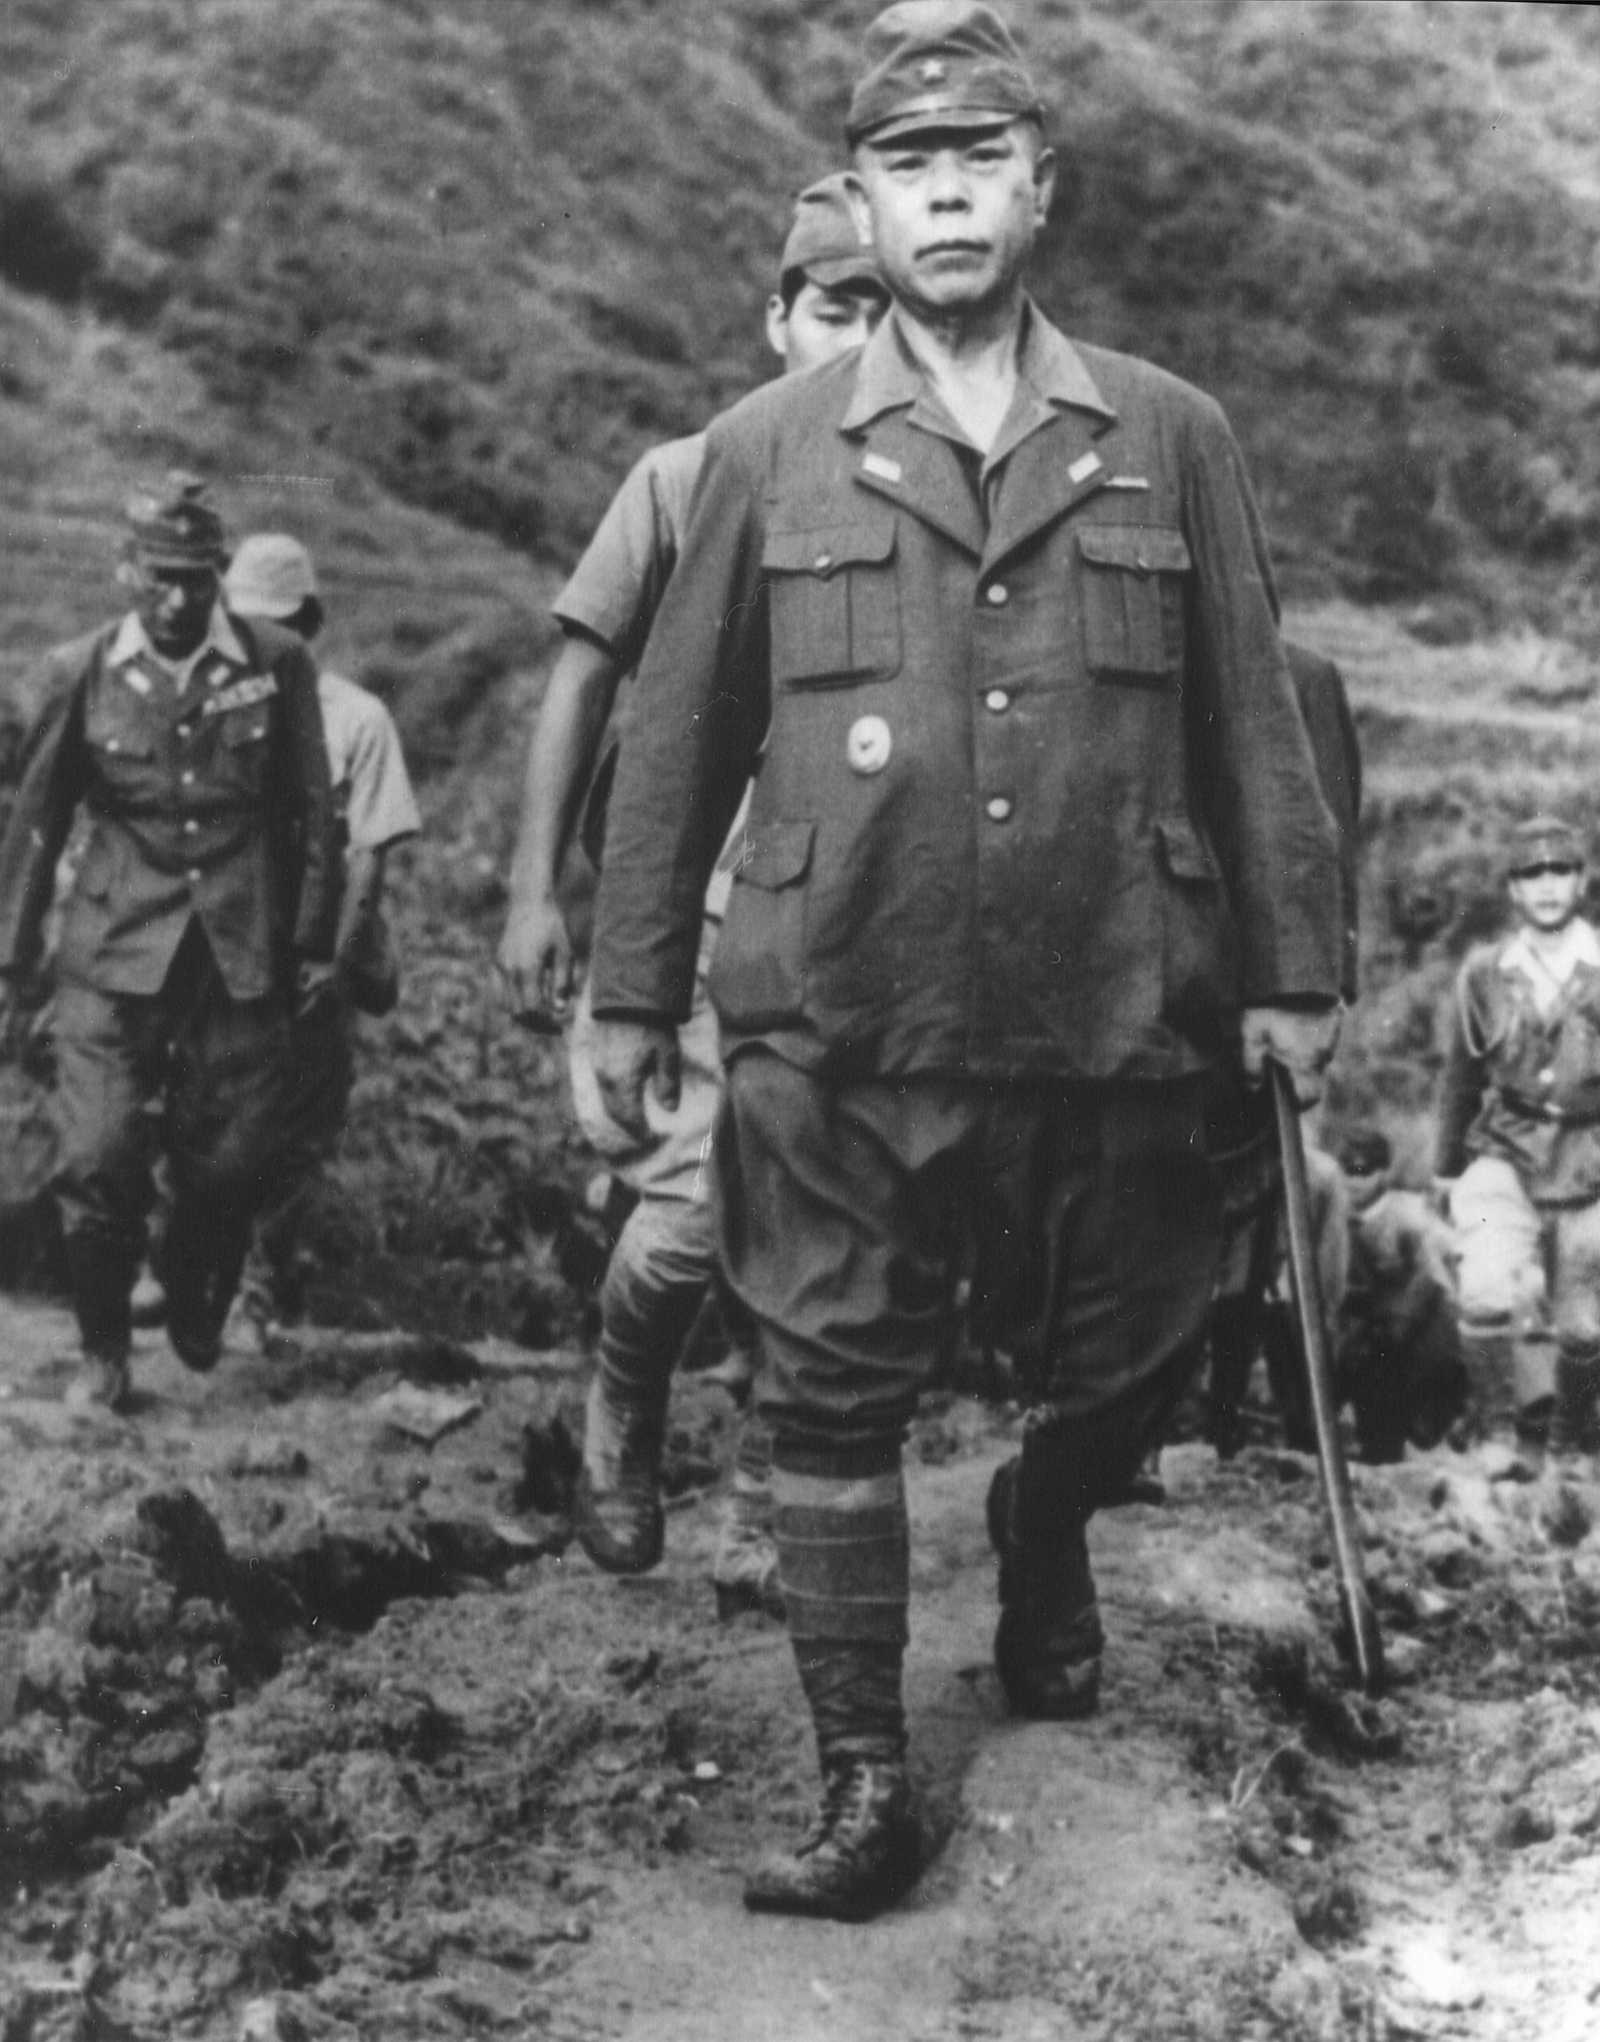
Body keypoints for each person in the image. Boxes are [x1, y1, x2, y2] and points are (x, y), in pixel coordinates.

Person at [585, 0, 1343, 1921]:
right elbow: (674, 736)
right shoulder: (767, 449)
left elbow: (1253, 717)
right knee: (825, 1386)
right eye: (908, 172)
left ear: (1038, 191)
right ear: (866, 199)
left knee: (1141, 1355)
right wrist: (621, 987)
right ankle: (860, 1775)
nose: (944, 201)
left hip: (1117, 995)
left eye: (978, 165)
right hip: (844, 999)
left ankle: (1043, 1519)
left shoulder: (1171, 433)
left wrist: (1293, 971)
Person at [496, 177, 889, 1611]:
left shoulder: (938, 482)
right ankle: (622, 1394)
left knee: (849, 1238)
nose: (864, 337)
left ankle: (779, 1511)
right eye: (839, 306)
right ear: (780, 317)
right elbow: (584, 672)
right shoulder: (692, 473)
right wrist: (539, 891)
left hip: (876, 926)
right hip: (717, 915)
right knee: (683, 1217)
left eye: (889, 309)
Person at [0, 474, 338, 1411]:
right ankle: (103, 1347)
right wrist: (11, 958)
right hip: (111, 950)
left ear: (221, 574)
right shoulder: (84, 671)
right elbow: (38, 819)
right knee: (99, 1153)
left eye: (197, 577)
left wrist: (311, 940)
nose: (180, 598)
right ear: (126, 571)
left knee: (229, 1162)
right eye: (160, 577)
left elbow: (312, 809)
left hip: (236, 951)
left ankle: (198, 1272)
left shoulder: (275, 663)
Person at [218, 534, 422, 1326]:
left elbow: (370, 856)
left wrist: (334, 963)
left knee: (298, 1122)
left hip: (316, 952)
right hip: (229, 950)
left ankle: (266, 1285)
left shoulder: (356, 719)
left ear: (308, 623)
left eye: (281, 626)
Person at [1435, 814, 1600, 1458]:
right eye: (1532, 875)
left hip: (1591, 1157)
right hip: (1506, 1147)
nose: (1548, 886)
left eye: (1560, 871)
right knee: (1482, 1289)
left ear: (1581, 881)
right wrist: (1447, 1167)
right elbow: (1461, 1073)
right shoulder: (1485, 972)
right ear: (1513, 891)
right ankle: (1498, 1430)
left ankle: (1570, 1443)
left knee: (1584, 1322)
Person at [1333, 1126, 1463, 1462]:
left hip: (1416, 1328)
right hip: (1364, 1326)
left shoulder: (1407, 1214)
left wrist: (1400, 1323)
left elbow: (1433, 1276)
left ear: (1384, 1173)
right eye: (1346, 1171)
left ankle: (1414, 1432)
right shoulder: (1336, 1215)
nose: (1354, 1181)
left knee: (1392, 1360)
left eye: (1363, 1172)